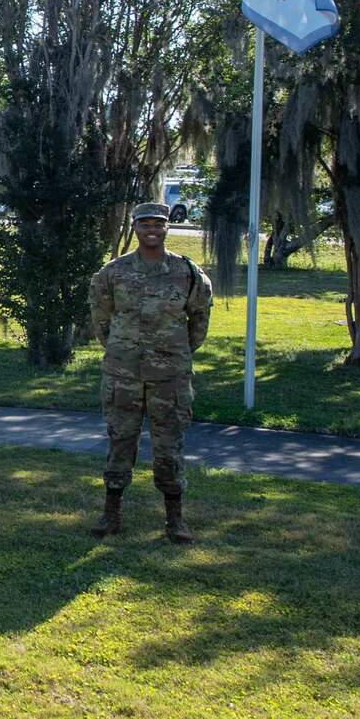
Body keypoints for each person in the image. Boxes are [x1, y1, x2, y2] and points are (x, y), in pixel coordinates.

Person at [89, 202, 214, 542]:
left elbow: (199, 319)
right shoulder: (112, 273)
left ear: (167, 227)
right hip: (123, 374)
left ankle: (175, 520)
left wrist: (174, 352)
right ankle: (110, 514)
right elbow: (101, 319)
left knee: (170, 445)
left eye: (158, 224)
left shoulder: (186, 271)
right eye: (145, 224)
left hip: (169, 376)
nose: (152, 230)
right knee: (120, 441)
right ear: (135, 229)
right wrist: (123, 350)